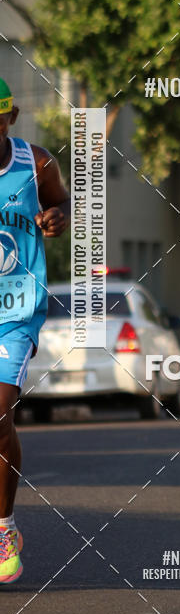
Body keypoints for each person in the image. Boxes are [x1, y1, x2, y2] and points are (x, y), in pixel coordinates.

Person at [0, 78, 70, 582]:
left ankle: (3, 526)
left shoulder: (36, 162)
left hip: (16, 310)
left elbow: (61, 206)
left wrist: (55, 218)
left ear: (11, 116)